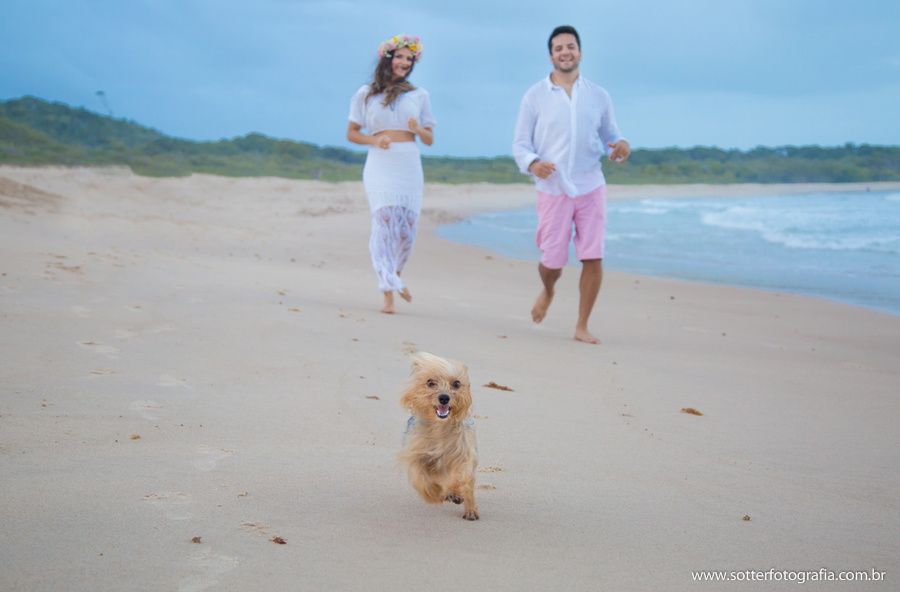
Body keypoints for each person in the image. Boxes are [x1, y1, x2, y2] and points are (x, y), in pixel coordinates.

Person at [512, 25, 630, 344]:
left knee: (593, 256)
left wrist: (620, 144)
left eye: (571, 46)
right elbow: (520, 144)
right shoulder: (534, 96)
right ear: (551, 56)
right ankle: (548, 290)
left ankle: (582, 325)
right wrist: (534, 163)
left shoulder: (598, 95)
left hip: (591, 184)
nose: (566, 52)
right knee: (553, 261)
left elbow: (611, 134)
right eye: (559, 48)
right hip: (553, 189)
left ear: (580, 52)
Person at [347, 34, 435, 314]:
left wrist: (417, 128)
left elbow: (429, 138)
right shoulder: (366, 93)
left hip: (408, 163)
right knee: (384, 227)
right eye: (400, 57)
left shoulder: (419, 95)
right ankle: (388, 291)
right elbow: (351, 133)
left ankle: (395, 275)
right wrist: (375, 141)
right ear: (388, 58)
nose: (405, 63)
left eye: (410, 59)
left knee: (407, 232)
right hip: (380, 163)